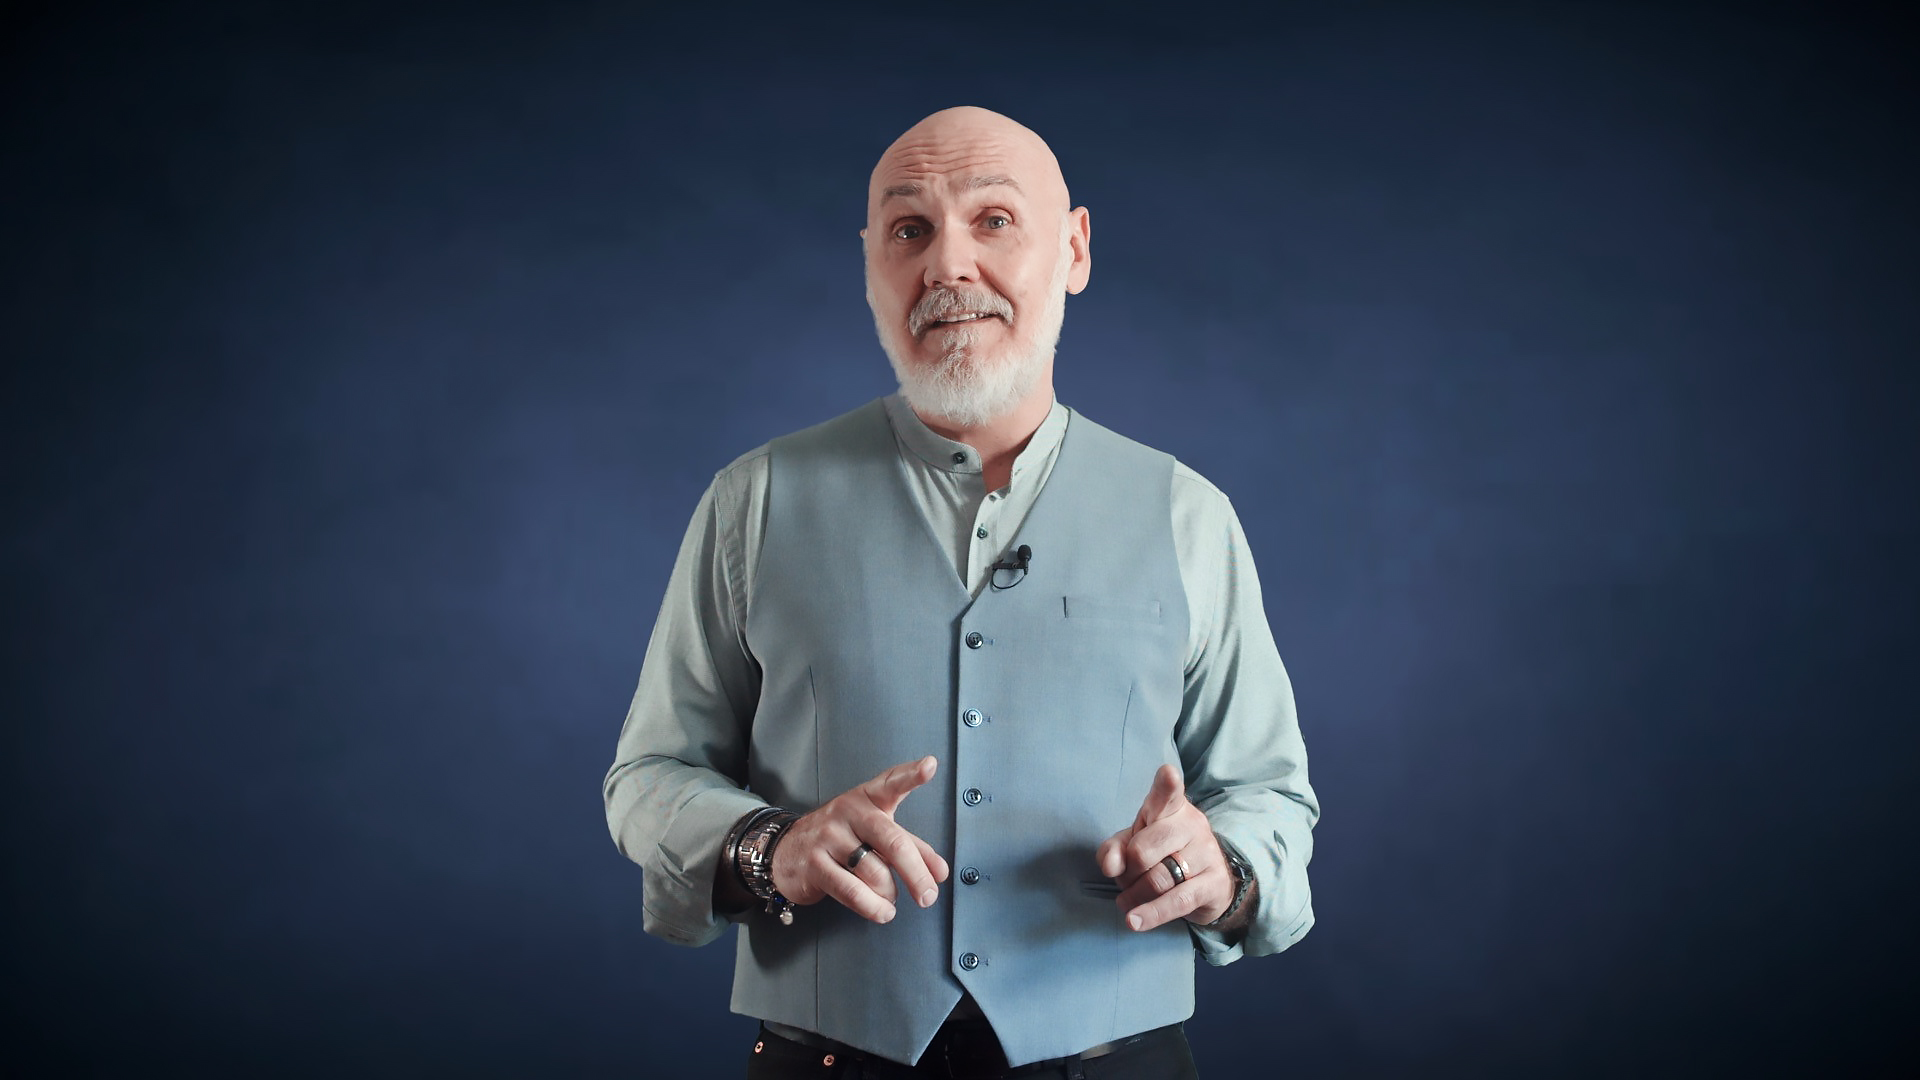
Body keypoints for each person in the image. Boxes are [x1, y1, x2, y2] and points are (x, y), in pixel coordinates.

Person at [604, 105, 1319, 1079]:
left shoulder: (1187, 513)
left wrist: (1222, 870)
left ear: (1073, 249)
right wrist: (769, 848)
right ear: (871, 267)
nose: (948, 263)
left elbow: (1268, 794)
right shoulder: (754, 500)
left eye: (994, 220)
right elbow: (651, 773)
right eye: (910, 229)